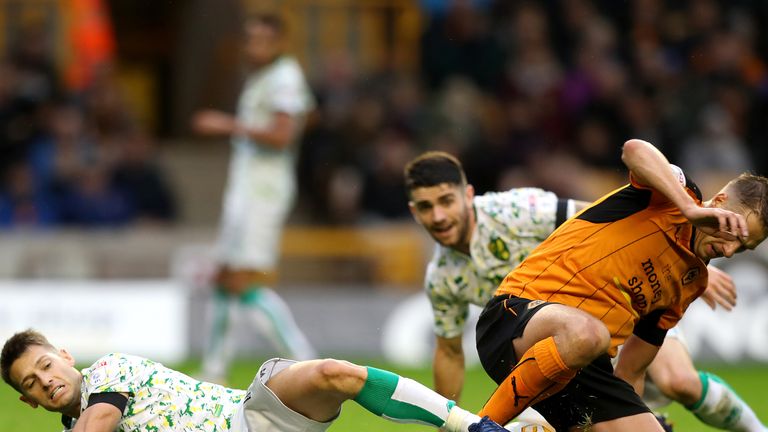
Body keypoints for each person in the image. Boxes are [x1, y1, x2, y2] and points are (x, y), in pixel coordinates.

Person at [404, 151, 768, 431]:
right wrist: (688, 208)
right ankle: (482, 425)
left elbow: (631, 372)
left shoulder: (691, 281)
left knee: (669, 387)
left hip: (585, 355)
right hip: (518, 316)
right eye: (426, 207)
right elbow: (633, 152)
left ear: (467, 195)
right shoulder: (671, 198)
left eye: (743, 246)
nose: (730, 251)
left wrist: (623, 415)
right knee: (589, 334)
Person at [0, 329, 510, 432]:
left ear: (65, 356)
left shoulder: (108, 371)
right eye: (30, 384)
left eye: (44, 366)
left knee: (333, 373)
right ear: (28, 402)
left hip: (251, 413)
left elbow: (99, 421)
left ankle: (473, 427)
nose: (44, 381)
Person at [191, 12, 316, 382]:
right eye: (250, 39)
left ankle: (307, 363)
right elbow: (308, 114)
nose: (254, 47)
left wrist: (225, 124)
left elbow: (282, 135)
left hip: (263, 191)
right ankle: (214, 371)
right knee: (223, 276)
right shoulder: (265, 77)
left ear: (280, 42)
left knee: (242, 281)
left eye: (263, 40)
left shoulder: (284, 77)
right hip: (246, 188)